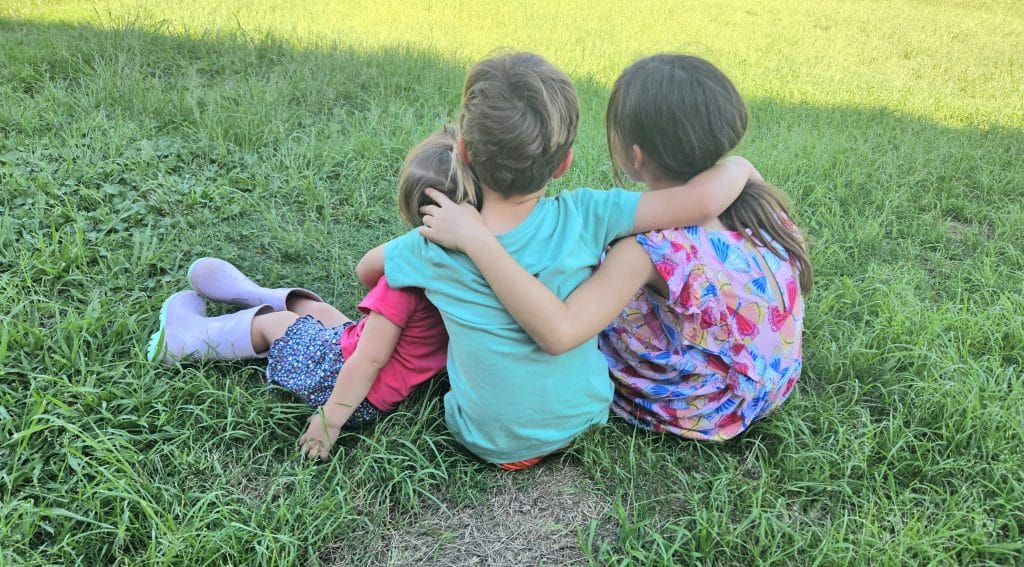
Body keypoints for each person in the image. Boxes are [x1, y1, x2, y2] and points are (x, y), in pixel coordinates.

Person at [357, 52, 761, 470]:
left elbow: (366, 271)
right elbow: (703, 202)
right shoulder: (590, 213)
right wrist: (740, 164)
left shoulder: (433, 241)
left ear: (464, 151)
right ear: (564, 163)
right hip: (588, 417)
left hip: (488, 440)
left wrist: (459, 244)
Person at [146, 126, 476, 460]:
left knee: (278, 325)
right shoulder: (476, 271)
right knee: (327, 315)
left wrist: (330, 421)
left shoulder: (404, 281)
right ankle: (253, 295)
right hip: (373, 368)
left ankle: (185, 341)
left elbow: (369, 358)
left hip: (342, 385)